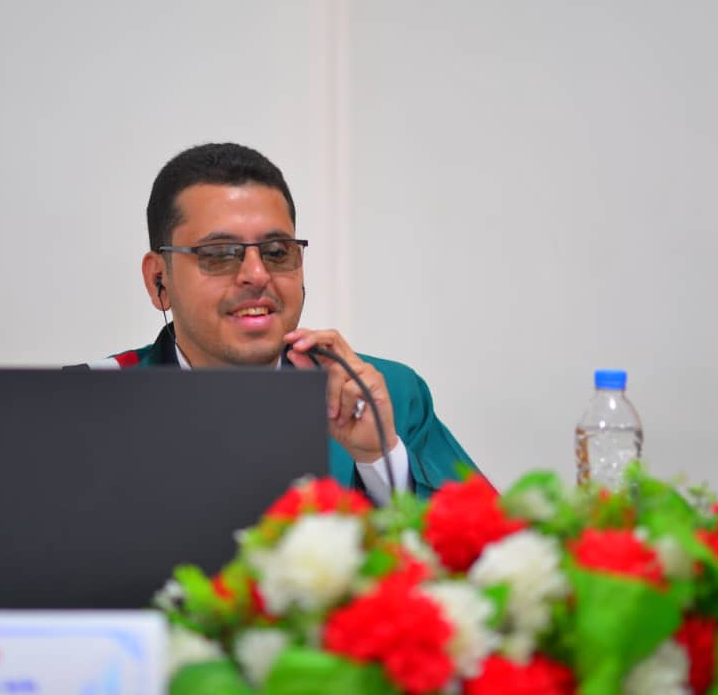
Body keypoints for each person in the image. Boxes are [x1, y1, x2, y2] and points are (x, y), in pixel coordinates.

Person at [83, 143, 478, 502]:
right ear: (159, 280)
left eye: (276, 251)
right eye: (219, 253)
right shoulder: (90, 407)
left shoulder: (382, 396)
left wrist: (379, 459)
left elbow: (487, 548)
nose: (257, 275)